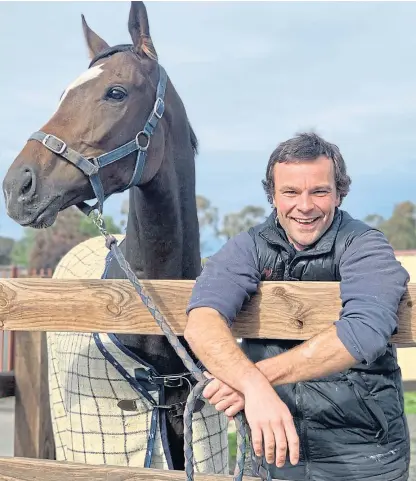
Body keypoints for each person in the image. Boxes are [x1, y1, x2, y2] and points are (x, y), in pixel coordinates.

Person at [184, 132, 410, 481]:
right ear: (272, 196)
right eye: (290, 192)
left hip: (362, 457)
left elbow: (363, 332)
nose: (304, 206)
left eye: (318, 191)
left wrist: (254, 382)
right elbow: (202, 321)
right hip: (270, 453)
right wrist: (255, 387)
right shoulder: (248, 248)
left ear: (339, 193)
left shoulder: (366, 247)